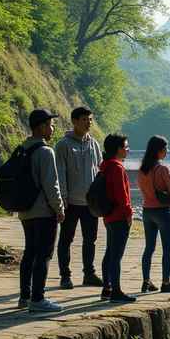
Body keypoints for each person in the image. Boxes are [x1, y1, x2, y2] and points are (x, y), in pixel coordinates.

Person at [18, 109, 66, 312]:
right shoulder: (46, 151)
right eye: (49, 125)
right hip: (43, 212)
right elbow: (51, 185)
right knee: (44, 254)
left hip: (26, 210)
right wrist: (60, 208)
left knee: (29, 252)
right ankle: (38, 299)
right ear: (40, 127)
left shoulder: (22, 148)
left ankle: (24, 296)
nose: (52, 128)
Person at [54, 106, 103, 289]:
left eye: (90, 119)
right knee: (66, 239)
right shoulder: (63, 145)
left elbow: (99, 171)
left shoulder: (94, 144)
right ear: (74, 121)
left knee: (90, 239)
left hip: (90, 203)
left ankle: (89, 274)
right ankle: (65, 276)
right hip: (71, 202)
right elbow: (59, 173)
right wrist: (62, 199)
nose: (88, 123)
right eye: (84, 120)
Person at [137, 136, 170, 293]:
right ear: (159, 150)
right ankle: (166, 282)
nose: (167, 151)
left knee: (149, 248)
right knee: (167, 249)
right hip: (162, 211)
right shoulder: (163, 169)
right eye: (165, 148)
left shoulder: (142, 169)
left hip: (147, 211)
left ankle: (146, 281)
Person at [99, 134, 136, 303]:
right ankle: (116, 291)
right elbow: (122, 195)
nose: (128, 149)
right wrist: (129, 214)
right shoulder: (117, 167)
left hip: (109, 215)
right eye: (126, 147)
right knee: (116, 255)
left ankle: (107, 288)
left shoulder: (105, 165)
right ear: (119, 149)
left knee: (110, 253)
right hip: (119, 216)